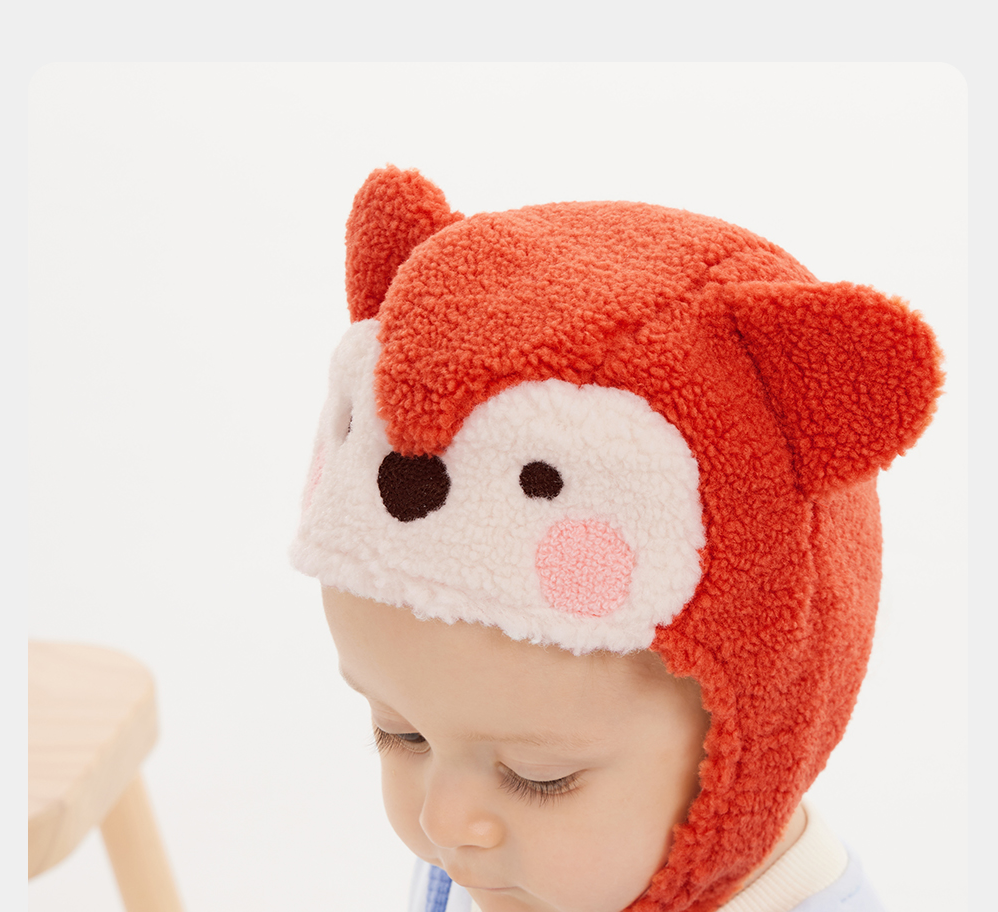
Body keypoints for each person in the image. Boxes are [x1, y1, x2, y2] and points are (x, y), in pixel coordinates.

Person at [290, 166, 943, 912]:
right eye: (401, 735)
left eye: (538, 779)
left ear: (748, 748)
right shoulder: (495, 872)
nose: (443, 823)